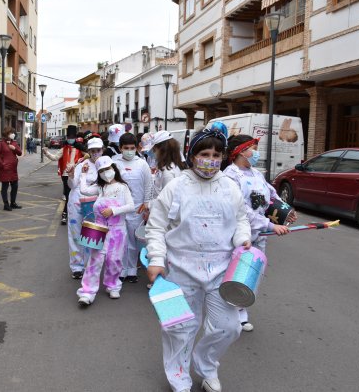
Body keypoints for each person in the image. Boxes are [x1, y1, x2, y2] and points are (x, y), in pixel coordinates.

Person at [145, 126, 251, 392]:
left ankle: (206, 366)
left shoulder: (230, 186)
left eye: (217, 154)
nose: (211, 159)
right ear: (192, 156)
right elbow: (156, 227)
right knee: (175, 328)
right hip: (177, 271)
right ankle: (178, 378)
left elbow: (241, 219)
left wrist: (243, 239)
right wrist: (157, 259)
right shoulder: (175, 186)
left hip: (221, 272)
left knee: (229, 328)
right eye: (205, 153)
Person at [223, 133, 295, 332]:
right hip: (238, 235)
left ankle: (241, 313)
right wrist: (270, 225)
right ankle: (230, 314)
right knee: (236, 273)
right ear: (239, 152)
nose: (255, 152)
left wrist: (287, 211)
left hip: (259, 235)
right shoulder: (230, 176)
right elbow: (242, 210)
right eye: (251, 148)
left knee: (251, 274)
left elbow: (271, 195)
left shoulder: (255, 173)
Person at [76, 156, 135, 306]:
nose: (105, 173)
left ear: (114, 168)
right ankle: (87, 292)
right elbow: (84, 190)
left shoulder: (123, 187)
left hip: (118, 231)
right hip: (98, 228)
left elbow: (131, 206)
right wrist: (83, 174)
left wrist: (114, 210)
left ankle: (113, 285)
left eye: (107, 169)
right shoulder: (100, 187)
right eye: (101, 171)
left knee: (114, 260)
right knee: (94, 261)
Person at [112, 132, 153, 282]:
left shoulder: (142, 164)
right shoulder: (114, 163)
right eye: (126, 148)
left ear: (137, 148)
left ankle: (132, 270)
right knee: (121, 241)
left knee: (134, 242)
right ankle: (121, 270)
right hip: (120, 209)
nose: (129, 150)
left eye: (132, 148)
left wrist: (146, 205)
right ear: (120, 148)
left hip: (137, 209)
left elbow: (149, 185)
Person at [66, 137, 105, 279]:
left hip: (96, 204)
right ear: (88, 151)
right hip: (77, 202)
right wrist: (70, 174)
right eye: (92, 150)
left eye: (98, 150)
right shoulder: (82, 165)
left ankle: (91, 265)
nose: (95, 153)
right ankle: (77, 266)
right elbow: (72, 184)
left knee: (93, 234)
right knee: (75, 234)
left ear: (103, 150)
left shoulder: (107, 165)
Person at [43, 125, 84, 225]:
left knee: (78, 195)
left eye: (72, 137)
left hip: (78, 175)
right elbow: (55, 158)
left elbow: (88, 156)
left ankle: (77, 214)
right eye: (69, 137)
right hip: (66, 175)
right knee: (68, 194)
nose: (70, 139)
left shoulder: (80, 148)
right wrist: (46, 153)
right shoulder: (64, 148)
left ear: (75, 137)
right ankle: (65, 214)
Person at [0, 127, 22, 211]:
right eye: (11, 133)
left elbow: (20, 153)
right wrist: (2, 165)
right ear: (7, 134)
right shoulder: (0, 143)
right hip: (4, 169)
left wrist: (14, 148)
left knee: (15, 186)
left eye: (13, 133)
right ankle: (6, 204)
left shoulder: (14, 143)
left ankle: (13, 203)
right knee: (5, 186)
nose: (13, 134)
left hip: (13, 169)